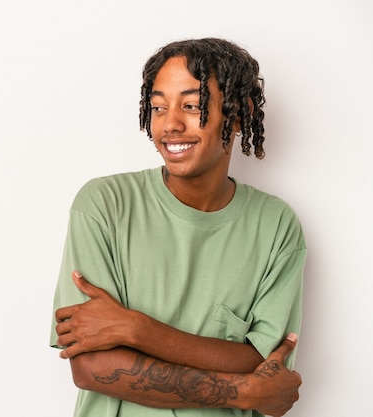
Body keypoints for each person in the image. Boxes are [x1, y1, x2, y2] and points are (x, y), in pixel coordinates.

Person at [49, 38, 306, 417]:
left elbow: (262, 363)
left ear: (237, 115)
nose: (169, 124)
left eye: (191, 106)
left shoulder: (276, 226)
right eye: (157, 107)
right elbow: (92, 368)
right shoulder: (104, 205)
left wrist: (134, 329)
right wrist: (240, 391)